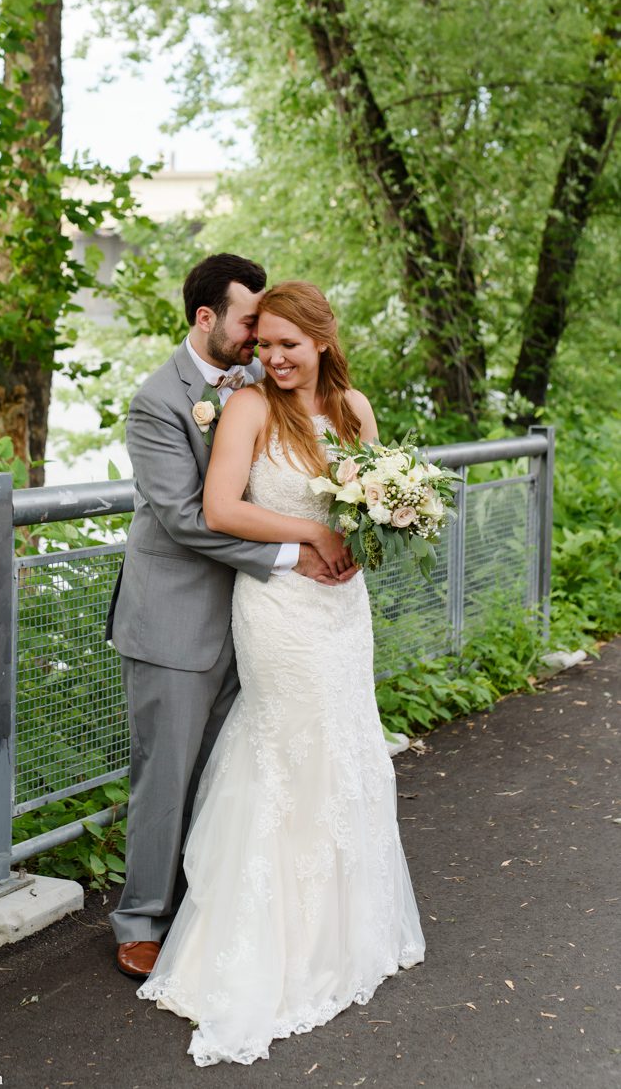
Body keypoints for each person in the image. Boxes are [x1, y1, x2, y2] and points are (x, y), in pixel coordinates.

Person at [137, 280, 426, 1066]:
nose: (273, 358)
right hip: (279, 607)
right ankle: (268, 937)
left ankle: (343, 927)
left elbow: (367, 502)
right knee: (286, 747)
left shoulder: (355, 409)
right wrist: (309, 536)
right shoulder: (249, 407)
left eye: (288, 345)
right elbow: (220, 507)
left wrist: (366, 532)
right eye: (263, 344)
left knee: (343, 742)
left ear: (324, 341)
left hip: (342, 607)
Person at [107, 256, 357, 980]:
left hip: (263, 619)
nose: (261, 339)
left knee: (235, 773)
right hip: (176, 617)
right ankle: (141, 921)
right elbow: (186, 517)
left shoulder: (257, 380)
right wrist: (294, 553)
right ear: (206, 318)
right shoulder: (157, 401)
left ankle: (209, 910)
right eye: (251, 323)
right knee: (166, 776)